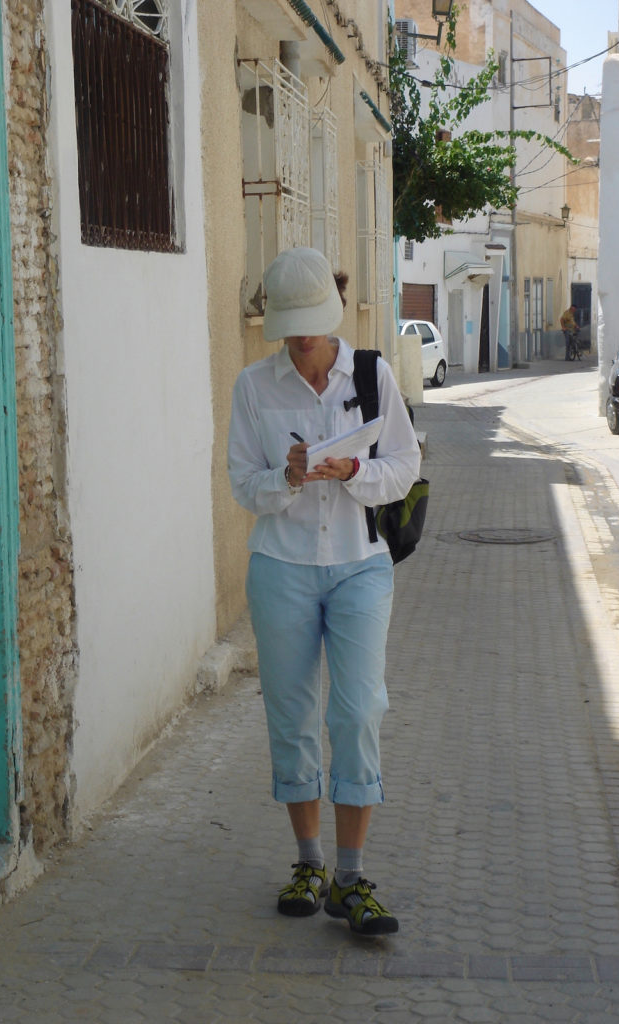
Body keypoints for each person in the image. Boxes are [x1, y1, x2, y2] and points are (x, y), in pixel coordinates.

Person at [228, 247, 421, 936]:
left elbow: (404, 466)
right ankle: (307, 862)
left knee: (359, 710)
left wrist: (350, 472)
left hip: (360, 562)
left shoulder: (370, 374)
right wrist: (285, 477)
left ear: (332, 311)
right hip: (280, 566)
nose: (302, 337)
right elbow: (242, 484)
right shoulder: (254, 387)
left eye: (311, 322)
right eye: (290, 325)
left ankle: (350, 876)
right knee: (292, 714)